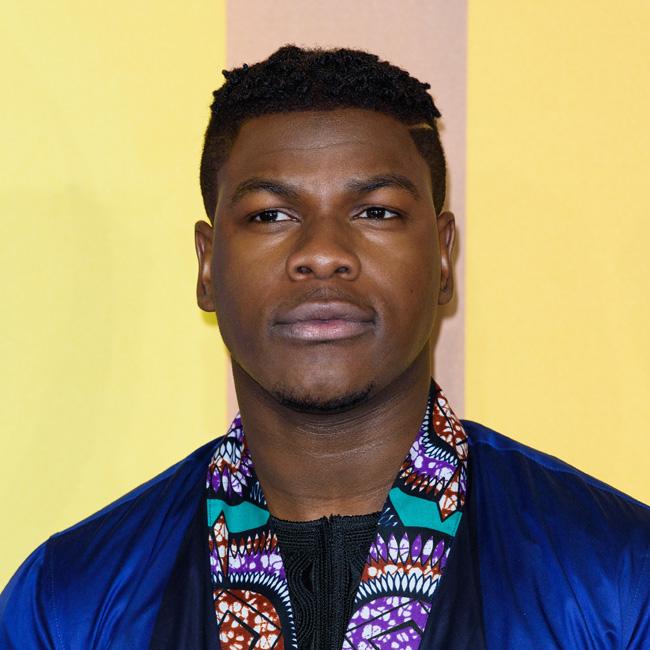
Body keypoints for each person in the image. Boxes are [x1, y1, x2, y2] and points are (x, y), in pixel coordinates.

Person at [1, 45, 649, 650]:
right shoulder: (70, 601)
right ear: (206, 266)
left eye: (376, 212)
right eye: (270, 215)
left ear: (442, 258)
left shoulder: (619, 576)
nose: (322, 253)